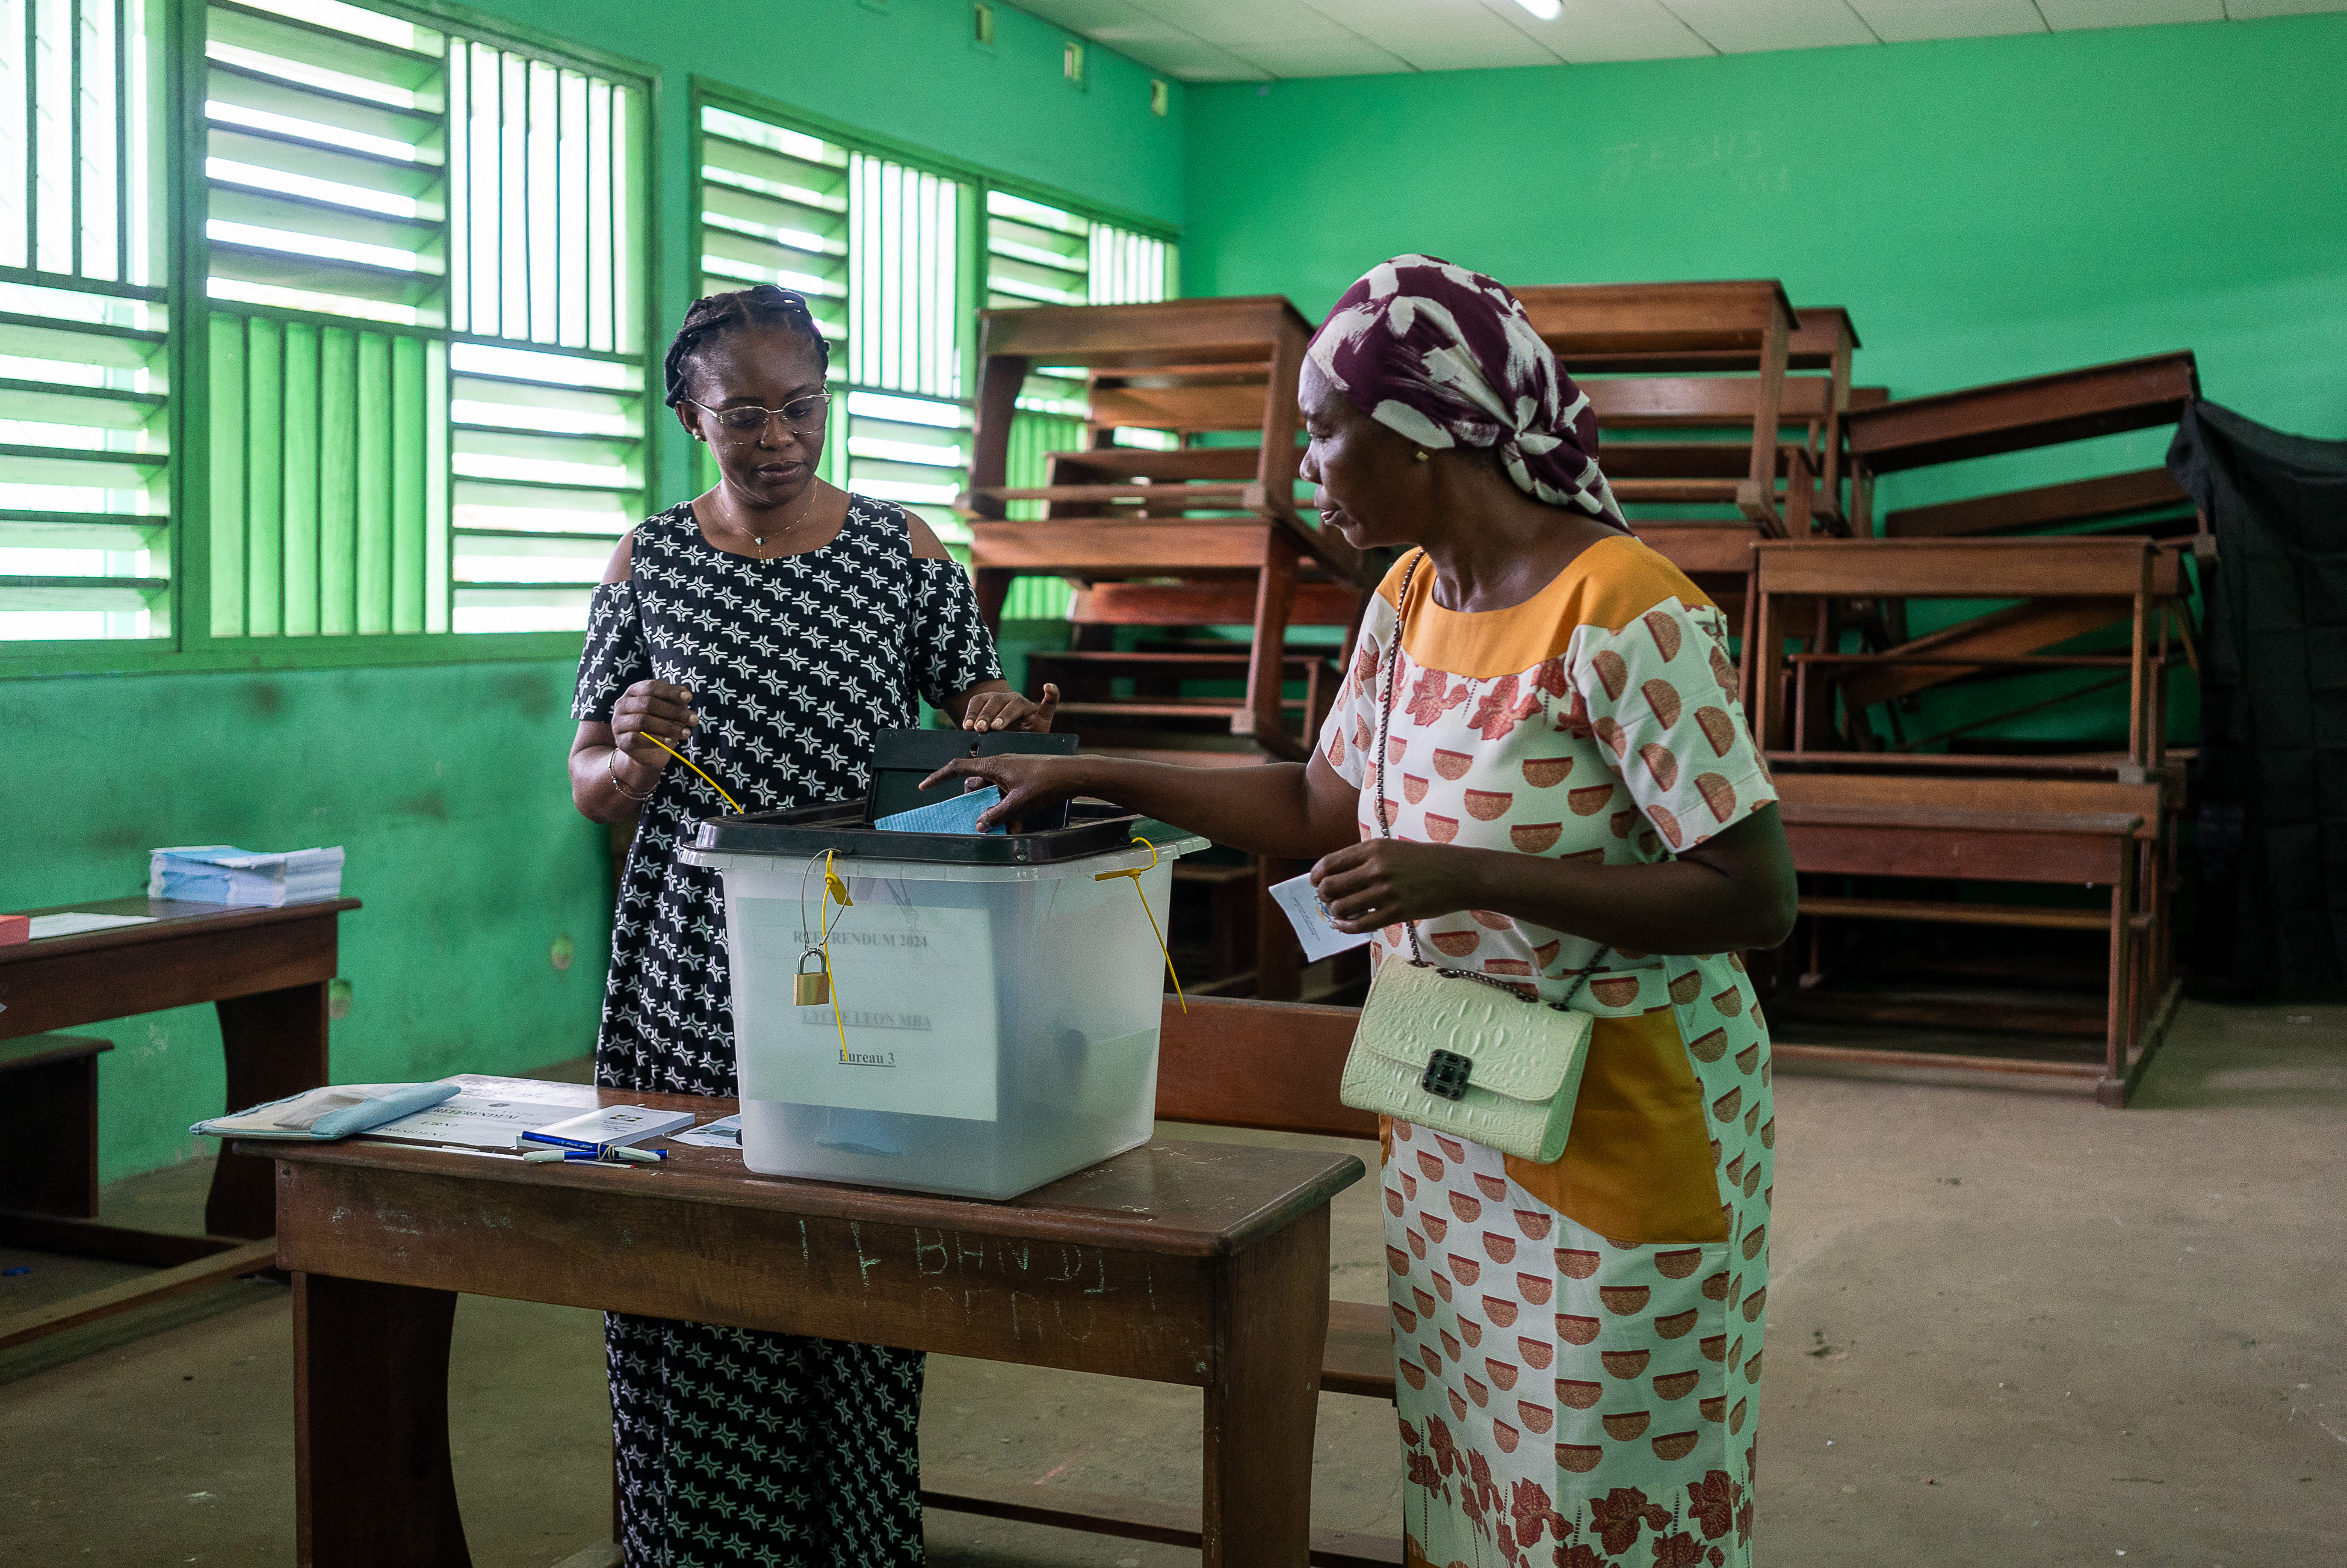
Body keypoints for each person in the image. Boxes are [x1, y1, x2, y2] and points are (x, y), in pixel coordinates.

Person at [933, 256, 1798, 1568]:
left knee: (1600, 1478)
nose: (1306, 468)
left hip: (1621, 1116)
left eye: (1325, 431)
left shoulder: (1626, 611)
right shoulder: (1404, 602)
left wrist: (1474, 875)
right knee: (1465, 1460)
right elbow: (1322, 802)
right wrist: (1090, 763)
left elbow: (1758, 894)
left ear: (1429, 431)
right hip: (1458, 1110)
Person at [566, 284, 1056, 1567]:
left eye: (802, 409)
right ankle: (694, 1543)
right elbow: (591, 781)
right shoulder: (647, 558)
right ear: (690, 416)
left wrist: (1000, 716)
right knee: (690, 1233)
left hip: (866, 935)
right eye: (744, 415)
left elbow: (977, 698)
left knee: (855, 1231)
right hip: (693, 944)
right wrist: (631, 753)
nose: (777, 437)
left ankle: (855, 1537)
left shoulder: (903, 549)